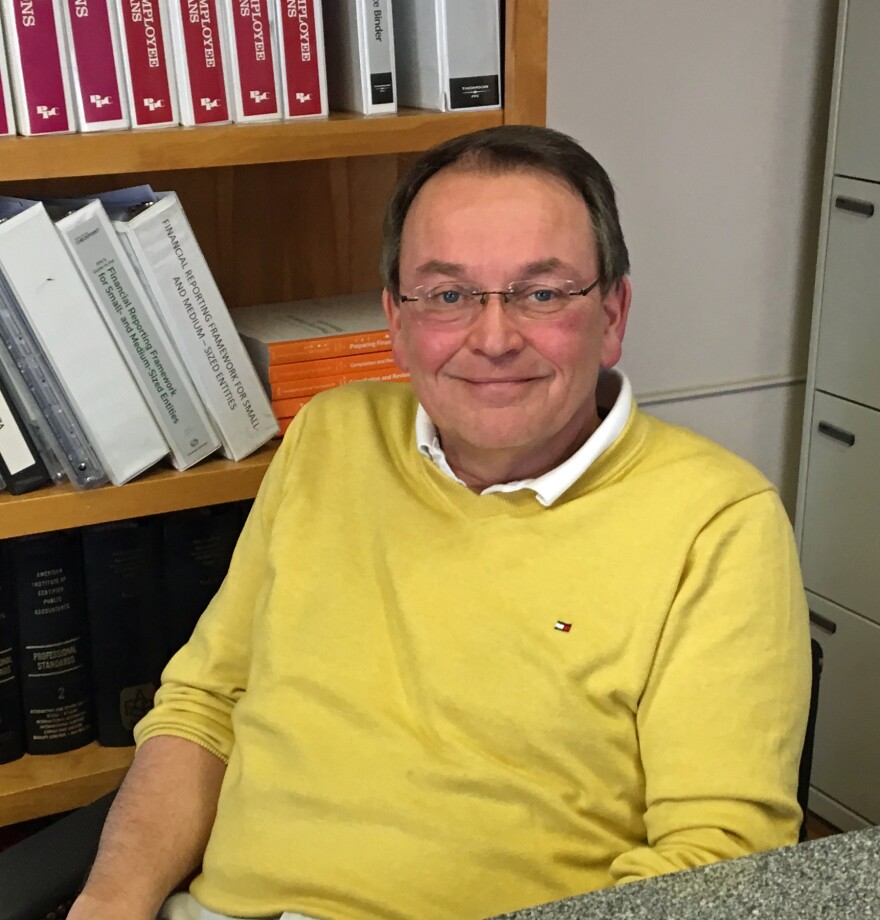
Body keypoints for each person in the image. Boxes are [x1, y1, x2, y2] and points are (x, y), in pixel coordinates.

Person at [70, 125, 811, 920]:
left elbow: (714, 864)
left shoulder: (718, 522)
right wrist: (110, 902)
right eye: (449, 295)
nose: (493, 339)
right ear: (396, 318)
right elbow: (205, 704)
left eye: (543, 292)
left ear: (614, 313)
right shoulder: (331, 435)